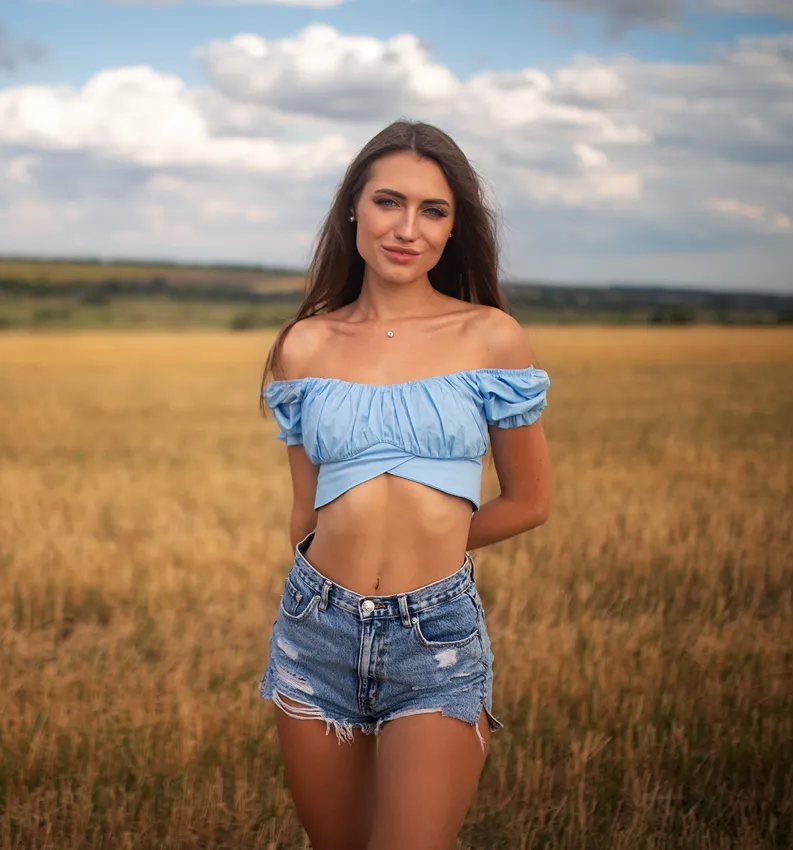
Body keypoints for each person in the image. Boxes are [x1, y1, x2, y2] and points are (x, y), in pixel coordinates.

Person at [257, 120, 553, 850]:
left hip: (434, 637)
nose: (407, 229)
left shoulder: (490, 337)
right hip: (316, 630)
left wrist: (430, 542)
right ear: (352, 209)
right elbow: (306, 513)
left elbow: (530, 501)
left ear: (454, 230)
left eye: (433, 210)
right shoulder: (303, 345)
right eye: (389, 201)